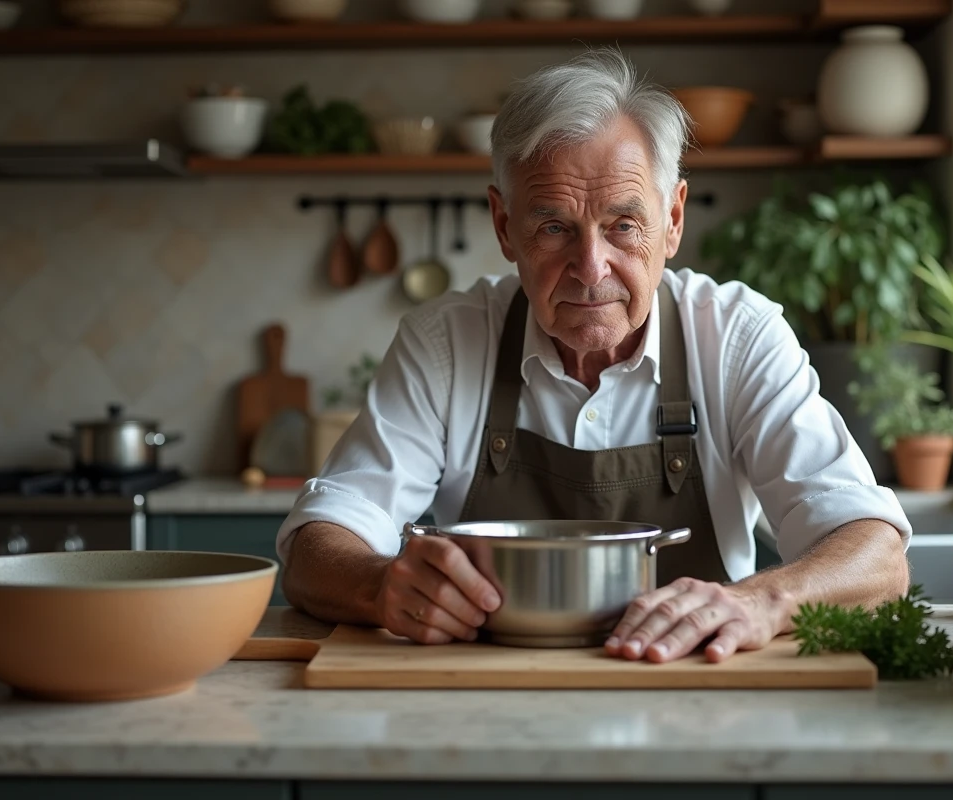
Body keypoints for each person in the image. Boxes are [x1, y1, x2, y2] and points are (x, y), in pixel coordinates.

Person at [276, 48, 912, 664]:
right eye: (553, 227)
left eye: (623, 225)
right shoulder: (445, 342)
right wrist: (377, 584)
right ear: (504, 226)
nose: (590, 268)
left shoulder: (738, 338)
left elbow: (875, 553)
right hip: (485, 708)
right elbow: (318, 543)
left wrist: (764, 603)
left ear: (673, 220)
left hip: (700, 711)